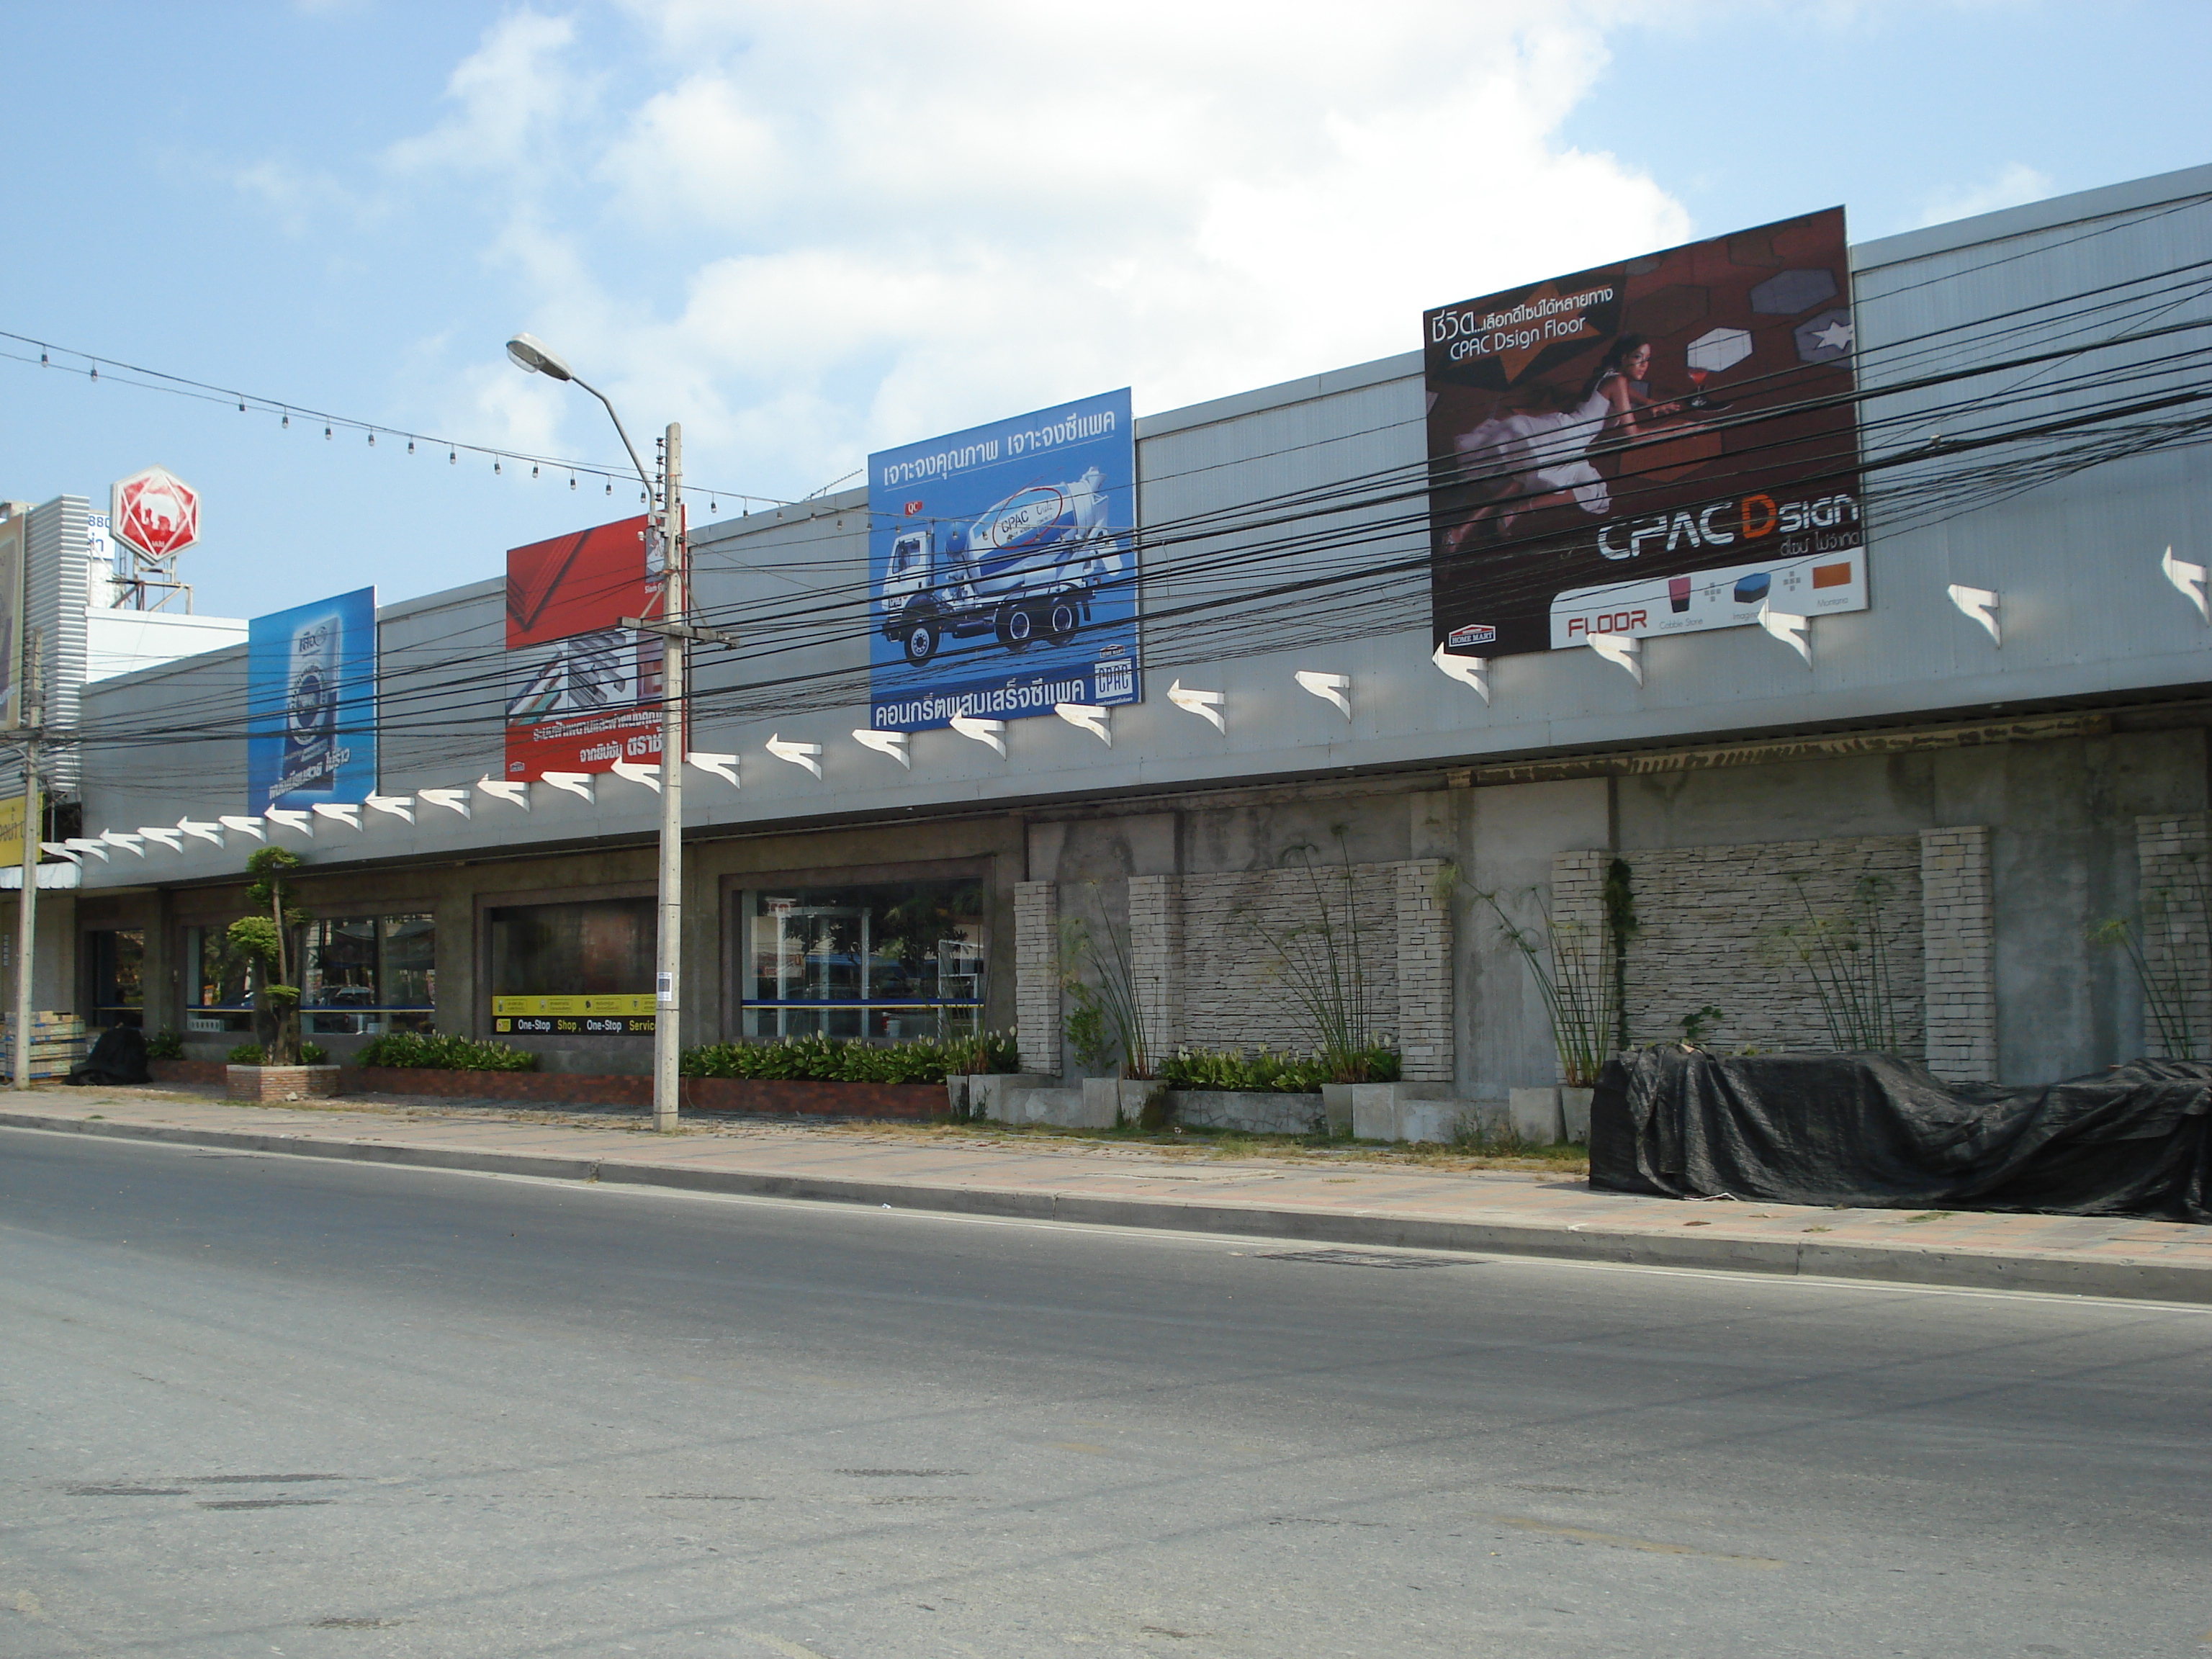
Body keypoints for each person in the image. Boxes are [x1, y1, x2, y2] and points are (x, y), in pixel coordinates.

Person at [1444, 333, 1684, 549]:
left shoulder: (1612, 376)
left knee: (1589, 491)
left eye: (1647, 359)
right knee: (1525, 478)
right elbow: (1633, 436)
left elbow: (1627, 392)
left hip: (1572, 440)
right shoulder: (1618, 381)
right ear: (1624, 358)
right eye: (1638, 357)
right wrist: (1676, 429)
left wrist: (1650, 404)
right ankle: (1466, 529)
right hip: (1565, 437)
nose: (1644, 365)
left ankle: (1505, 513)